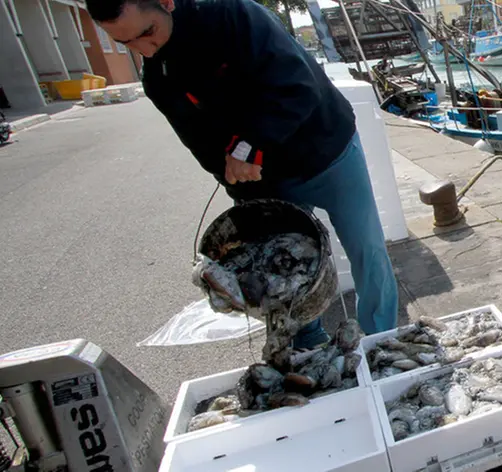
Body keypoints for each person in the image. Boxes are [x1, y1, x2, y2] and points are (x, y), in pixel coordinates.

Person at [86, 0, 399, 348]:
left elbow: (298, 86)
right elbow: (201, 145)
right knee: (281, 268)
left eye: (148, 33)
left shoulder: (232, 14)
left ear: (166, 2)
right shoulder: (158, 79)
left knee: (367, 247)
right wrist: (238, 188)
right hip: (268, 181)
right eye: (127, 44)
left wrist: (249, 146)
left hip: (327, 149)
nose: (146, 49)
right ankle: (307, 346)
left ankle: (381, 337)